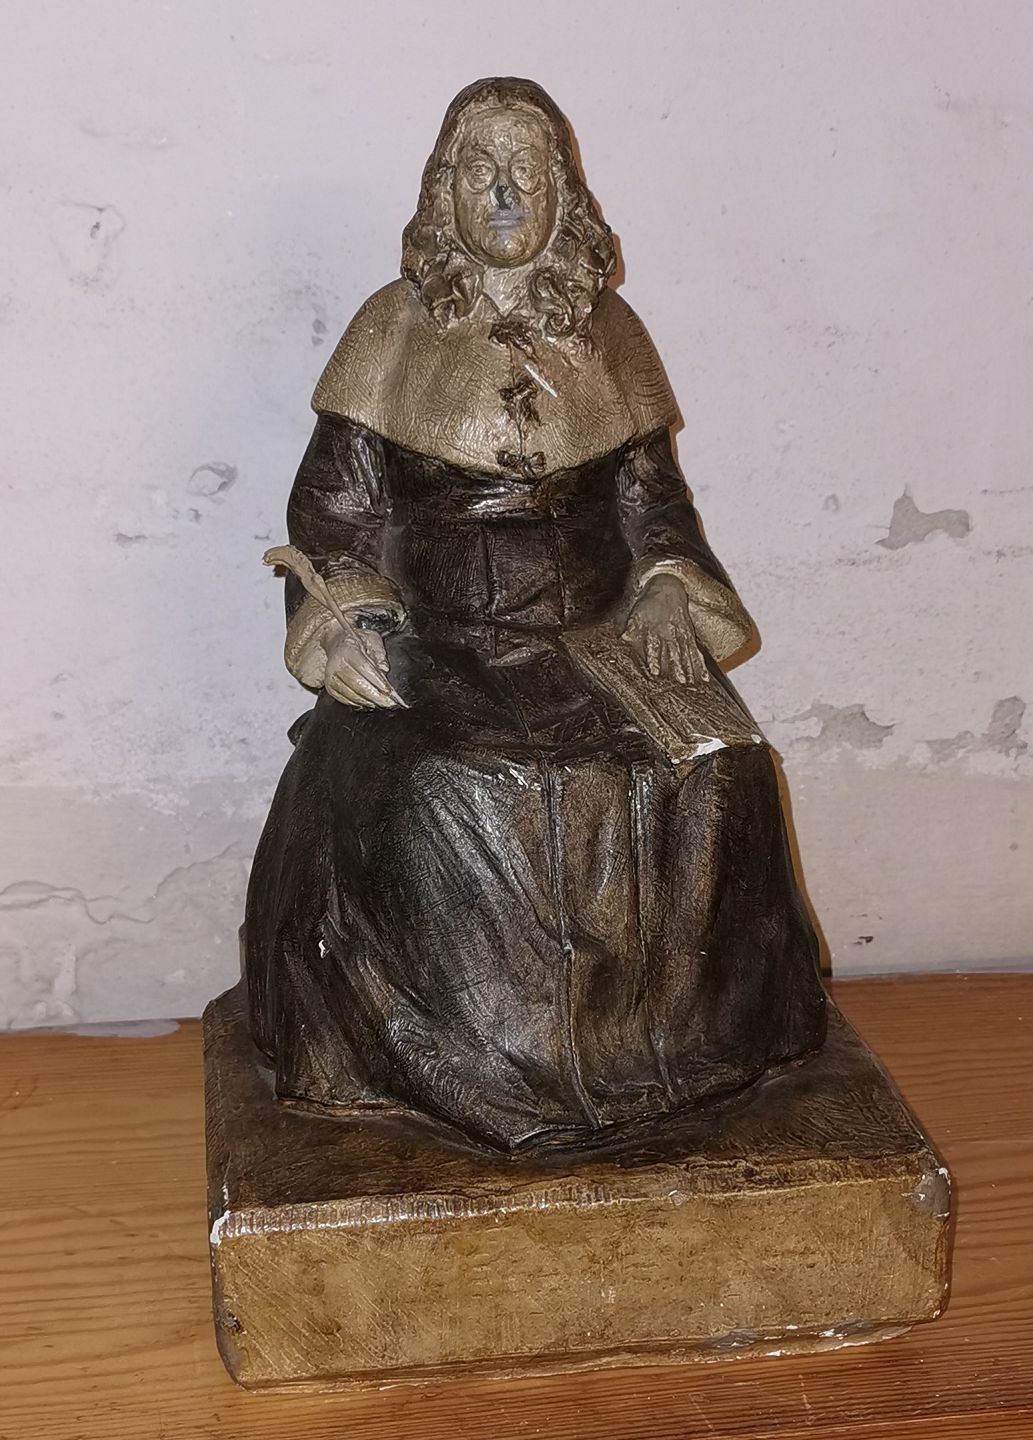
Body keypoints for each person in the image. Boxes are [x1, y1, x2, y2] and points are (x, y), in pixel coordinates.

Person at [244, 77, 826, 1150]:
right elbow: (334, 511)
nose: (506, 191)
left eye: (527, 169)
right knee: (439, 786)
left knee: (719, 767)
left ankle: (681, 1059)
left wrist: (665, 584)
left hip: (598, 636)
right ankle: (467, 1069)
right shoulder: (390, 328)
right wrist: (345, 621)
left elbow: (654, 503)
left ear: (565, 193)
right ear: (444, 191)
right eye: (481, 169)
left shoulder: (611, 332)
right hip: (443, 638)